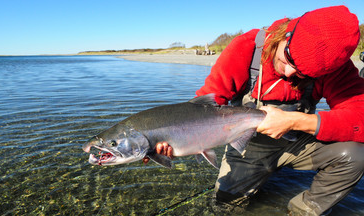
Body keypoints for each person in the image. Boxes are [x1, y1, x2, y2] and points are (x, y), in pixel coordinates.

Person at [145, 5, 364, 215]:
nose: (289, 73)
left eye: (303, 74)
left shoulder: (335, 65)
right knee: (224, 208)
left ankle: (303, 212)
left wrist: (294, 122)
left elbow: (360, 118)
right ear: (286, 35)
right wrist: (177, 138)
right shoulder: (247, 47)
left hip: (297, 142)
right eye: (289, 58)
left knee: (356, 155)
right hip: (247, 147)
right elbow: (204, 105)